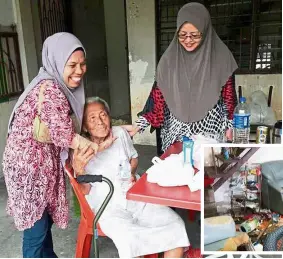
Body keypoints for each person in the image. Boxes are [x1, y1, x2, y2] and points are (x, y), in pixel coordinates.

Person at [2, 33, 114, 258]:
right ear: (56, 61)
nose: (79, 70)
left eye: (82, 64)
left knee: (42, 228)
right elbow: (63, 134)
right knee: (35, 232)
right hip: (30, 173)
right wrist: (99, 145)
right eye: (72, 65)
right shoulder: (51, 89)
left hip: (36, 167)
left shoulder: (52, 85)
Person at [72, 97, 190, 258]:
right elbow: (84, 190)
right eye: (92, 118)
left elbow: (133, 158)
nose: (100, 121)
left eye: (103, 115)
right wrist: (78, 171)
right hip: (108, 208)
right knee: (130, 239)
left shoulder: (119, 134)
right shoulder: (81, 150)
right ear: (84, 125)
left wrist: (132, 172)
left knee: (175, 225)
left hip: (135, 198)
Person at [123, 2, 238, 154]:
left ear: (205, 31)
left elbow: (229, 101)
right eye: (182, 35)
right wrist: (138, 125)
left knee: (207, 174)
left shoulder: (222, 59)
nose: (188, 40)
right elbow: (158, 100)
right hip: (174, 137)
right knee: (176, 174)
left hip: (209, 136)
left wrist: (230, 127)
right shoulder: (168, 61)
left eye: (195, 35)